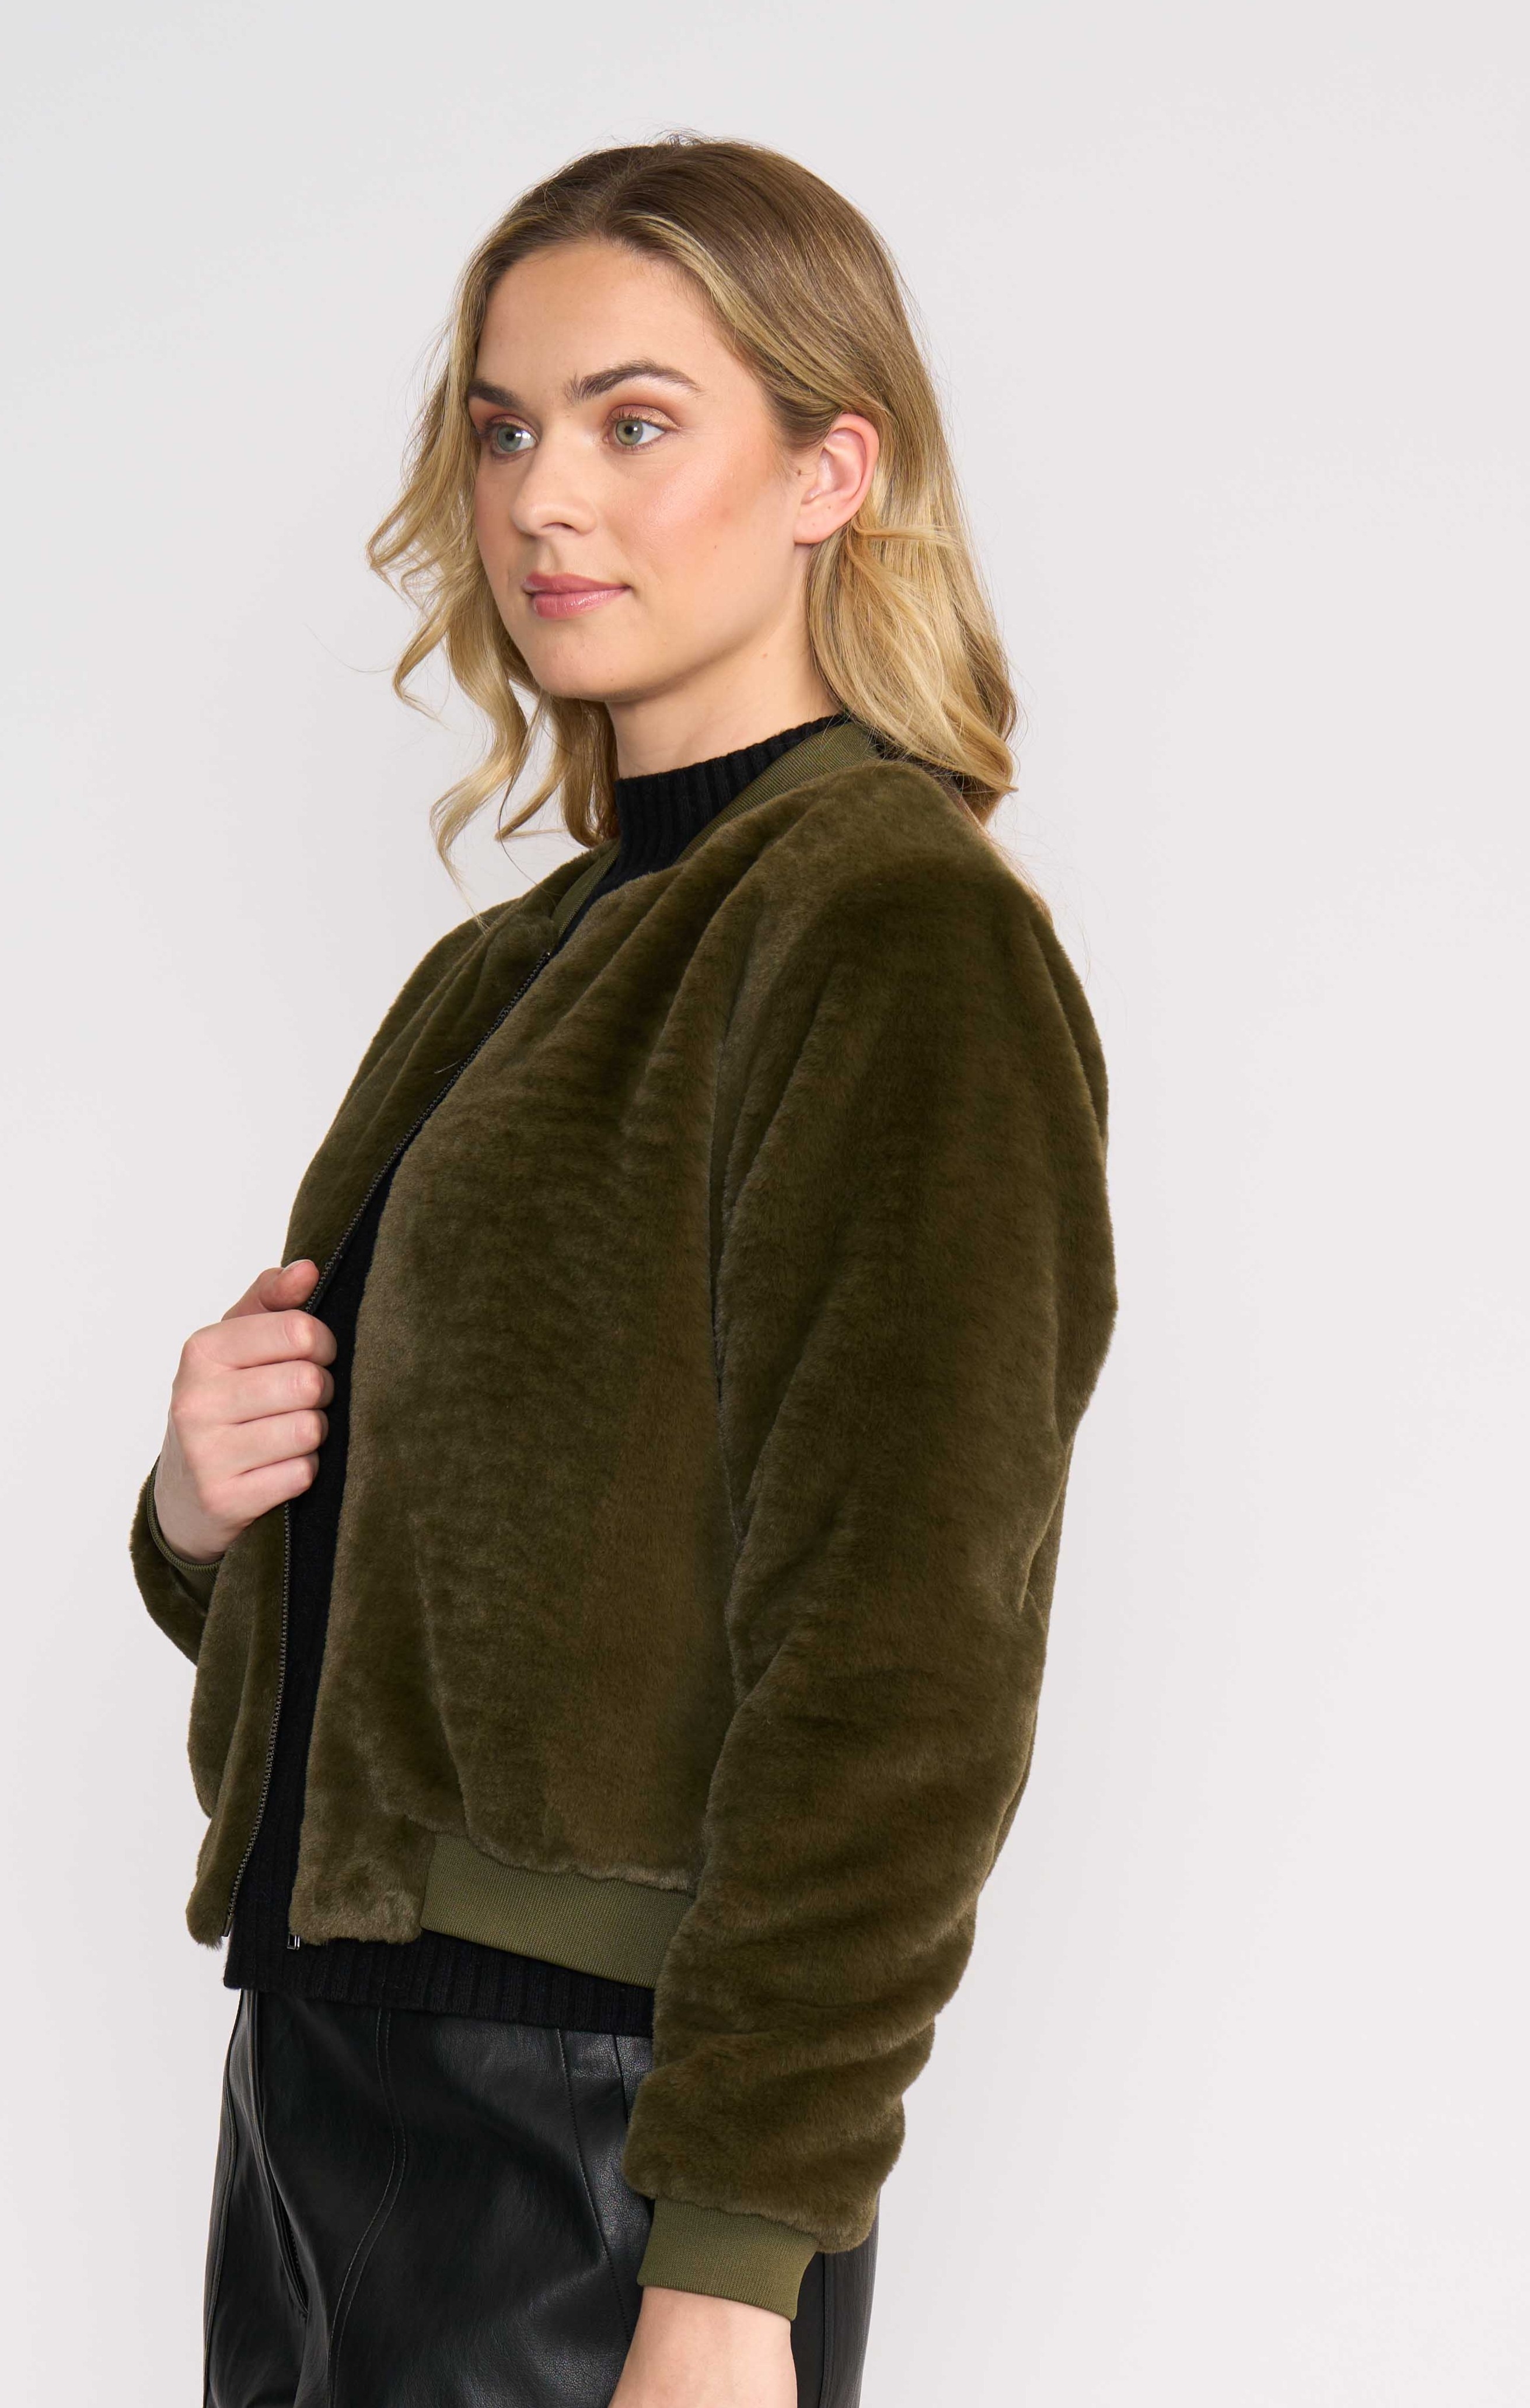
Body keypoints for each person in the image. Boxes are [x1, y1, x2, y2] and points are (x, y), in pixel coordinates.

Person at [130, 135, 1116, 2408]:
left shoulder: (891, 935)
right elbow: (445, 1636)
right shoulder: (509, 971)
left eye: (634, 421)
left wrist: (735, 2267)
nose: (544, 498)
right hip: (326, 2087)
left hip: (599, 2131)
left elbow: (902, 1675)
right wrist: (198, 1509)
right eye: (504, 430)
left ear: (830, 470)